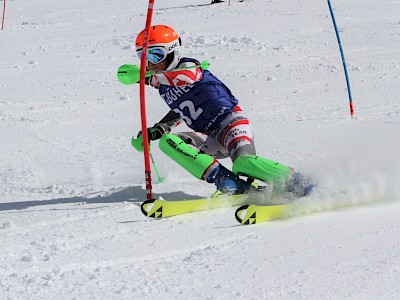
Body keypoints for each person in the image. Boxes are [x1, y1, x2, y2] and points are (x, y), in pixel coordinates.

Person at [130, 25, 313, 197]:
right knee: (168, 142)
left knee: (243, 163)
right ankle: (228, 182)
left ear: (172, 52)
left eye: (155, 55)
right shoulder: (163, 85)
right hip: (210, 136)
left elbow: (188, 77)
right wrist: (158, 129)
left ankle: (301, 183)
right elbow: (181, 108)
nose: (149, 63)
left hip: (231, 125)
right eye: (143, 56)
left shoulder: (188, 66)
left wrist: (150, 79)